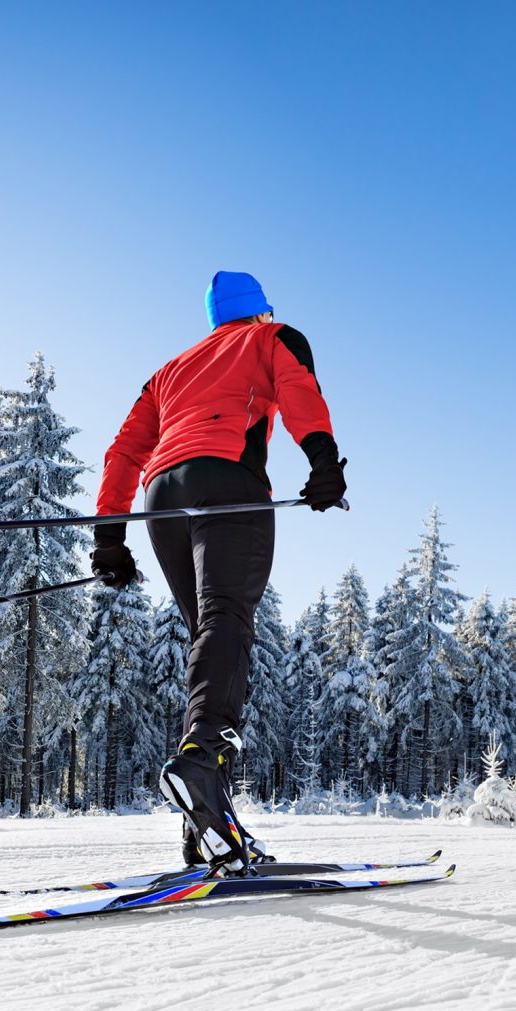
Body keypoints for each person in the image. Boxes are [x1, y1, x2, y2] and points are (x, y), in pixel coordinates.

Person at [90, 270, 347, 872]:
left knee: (209, 639)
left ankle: (207, 826)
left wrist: (110, 539)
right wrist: (323, 463)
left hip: (162, 497)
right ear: (259, 311)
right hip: (228, 481)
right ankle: (203, 761)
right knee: (226, 623)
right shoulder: (272, 337)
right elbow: (300, 390)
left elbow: (124, 450)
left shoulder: (169, 371)